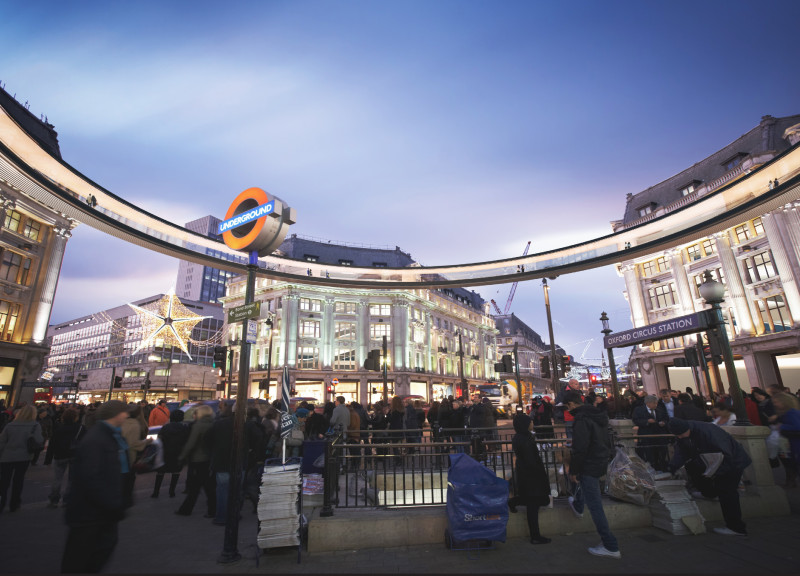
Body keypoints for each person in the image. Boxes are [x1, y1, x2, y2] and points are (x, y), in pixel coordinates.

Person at [60, 401, 129, 573]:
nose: (127, 415)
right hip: (90, 513)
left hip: (99, 511)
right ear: (116, 414)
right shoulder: (98, 438)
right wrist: (113, 504)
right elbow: (91, 477)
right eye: (124, 412)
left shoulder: (111, 435)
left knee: (94, 555)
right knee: (82, 560)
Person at [667, 418, 751, 536]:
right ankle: (710, 493)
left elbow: (726, 454)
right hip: (712, 462)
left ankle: (736, 527)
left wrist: (716, 473)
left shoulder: (708, 432)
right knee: (693, 468)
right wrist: (672, 467)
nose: (680, 437)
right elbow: (682, 452)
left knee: (727, 492)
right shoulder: (684, 434)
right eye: (677, 435)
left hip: (732, 463)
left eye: (681, 434)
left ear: (687, 429)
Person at [563, 390, 620, 559]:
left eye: (567, 407)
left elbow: (580, 448)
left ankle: (610, 545)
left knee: (595, 505)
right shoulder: (597, 415)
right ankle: (578, 506)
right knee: (588, 489)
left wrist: (574, 470)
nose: (567, 410)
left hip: (589, 463)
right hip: (600, 459)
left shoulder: (581, 419)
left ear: (572, 405)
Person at [507, 412, 551, 545]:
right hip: (531, 474)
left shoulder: (521, 437)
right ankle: (535, 536)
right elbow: (531, 459)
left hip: (526, 473)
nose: (532, 424)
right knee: (534, 503)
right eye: (530, 422)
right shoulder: (525, 439)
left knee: (535, 499)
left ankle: (514, 502)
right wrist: (538, 472)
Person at [0, 405, 43, 512]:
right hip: (23, 456)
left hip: (7, 456)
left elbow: (2, 441)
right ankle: (14, 503)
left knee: (4, 481)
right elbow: (39, 440)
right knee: (18, 480)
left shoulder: (10, 425)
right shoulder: (35, 425)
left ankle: (1, 502)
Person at [176, 404, 216, 517]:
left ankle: (187, 509)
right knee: (205, 486)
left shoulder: (199, 425)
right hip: (208, 458)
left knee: (198, 486)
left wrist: (182, 456)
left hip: (198, 458)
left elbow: (191, 443)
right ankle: (210, 509)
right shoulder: (212, 424)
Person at [45, 407, 83, 507]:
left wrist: (48, 459)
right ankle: (67, 499)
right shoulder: (80, 428)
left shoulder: (59, 428)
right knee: (72, 479)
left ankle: (54, 499)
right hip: (74, 455)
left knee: (57, 478)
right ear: (76, 417)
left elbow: (52, 444)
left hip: (59, 455)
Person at [152, 409, 189, 498]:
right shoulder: (184, 428)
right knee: (175, 472)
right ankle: (172, 492)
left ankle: (156, 492)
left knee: (160, 473)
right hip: (178, 453)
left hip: (165, 452)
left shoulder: (165, 427)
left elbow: (159, 438)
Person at [120, 404, 150, 508]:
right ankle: (126, 500)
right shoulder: (136, 424)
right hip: (130, 456)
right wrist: (148, 441)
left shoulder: (121, 422)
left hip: (120, 455)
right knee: (129, 480)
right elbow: (134, 444)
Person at [632, 394, 669, 471]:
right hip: (646, 436)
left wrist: (663, 423)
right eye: (654, 403)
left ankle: (661, 467)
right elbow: (636, 420)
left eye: (656, 403)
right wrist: (647, 421)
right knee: (649, 454)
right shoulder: (639, 410)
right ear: (648, 403)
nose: (656, 405)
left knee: (660, 454)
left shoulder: (660, 409)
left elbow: (666, 418)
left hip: (659, 436)